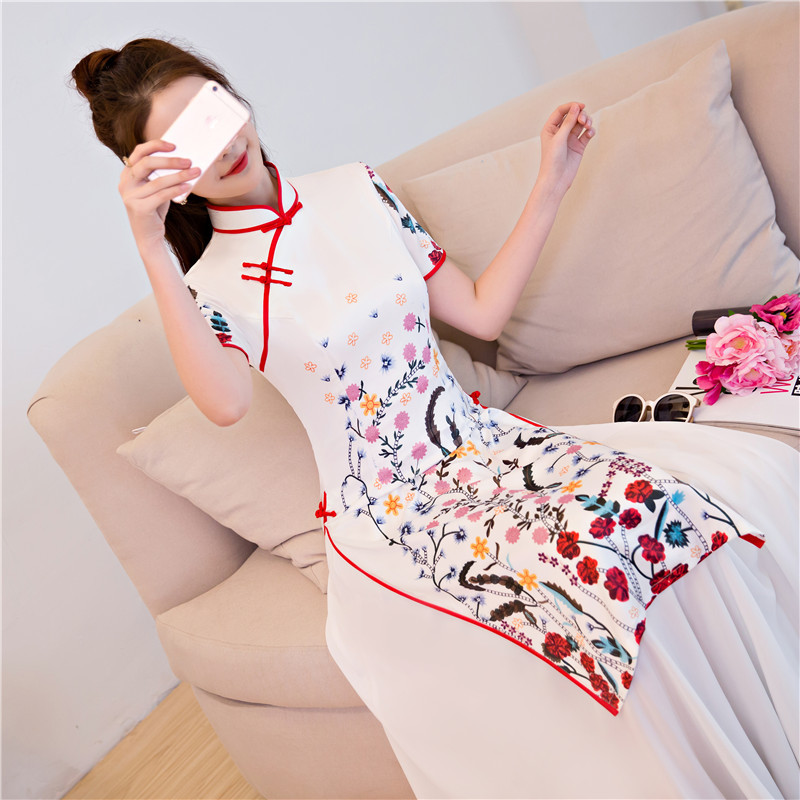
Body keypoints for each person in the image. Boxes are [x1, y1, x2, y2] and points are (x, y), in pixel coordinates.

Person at [73, 38, 797, 798]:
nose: (221, 143)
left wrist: (552, 182)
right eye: (184, 143)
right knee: (579, 589)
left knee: (657, 508)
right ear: (163, 175)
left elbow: (480, 311)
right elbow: (225, 404)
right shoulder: (208, 286)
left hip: (487, 448)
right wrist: (151, 247)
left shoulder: (357, 188)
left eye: (214, 109)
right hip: (391, 512)